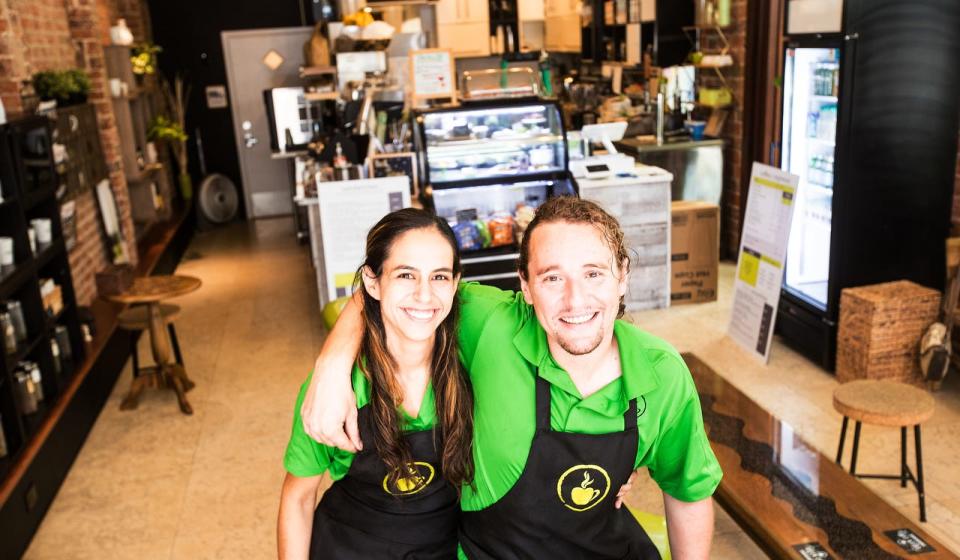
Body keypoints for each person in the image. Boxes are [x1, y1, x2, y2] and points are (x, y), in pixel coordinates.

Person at [302, 197, 722, 559]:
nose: (575, 300)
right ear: (524, 284)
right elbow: (396, 289)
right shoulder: (492, 324)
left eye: (593, 273)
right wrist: (331, 365)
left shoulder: (662, 373)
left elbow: (688, 493)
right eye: (552, 277)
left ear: (623, 275)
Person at [277, 208, 474, 559]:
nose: (424, 295)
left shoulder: (474, 354)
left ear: (456, 283)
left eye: (440, 277)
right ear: (373, 282)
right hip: (350, 548)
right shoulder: (336, 388)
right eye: (405, 275)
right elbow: (298, 497)